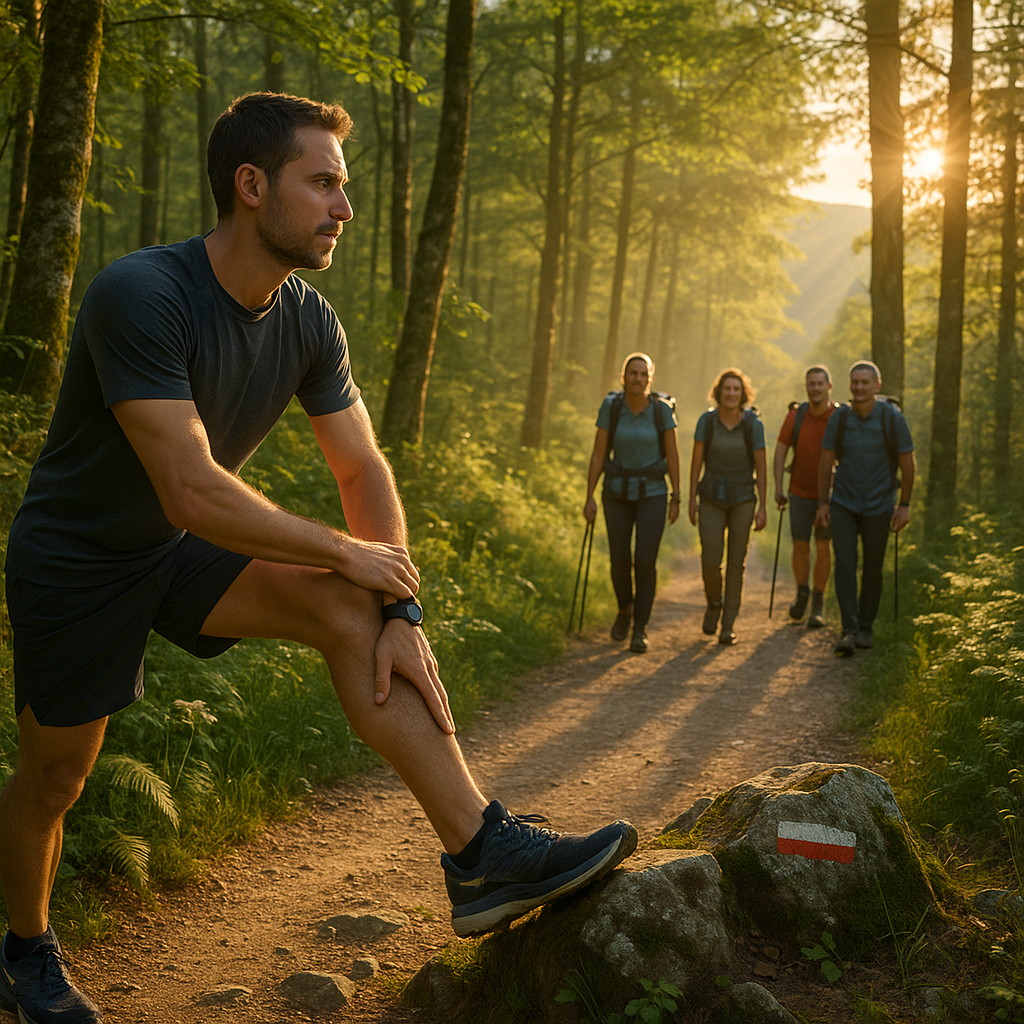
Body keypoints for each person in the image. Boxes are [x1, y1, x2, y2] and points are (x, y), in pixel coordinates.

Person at [0, 92, 638, 1024]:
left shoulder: (308, 318)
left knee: (352, 608)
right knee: (56, 776)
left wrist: (397, 609)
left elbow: (360, 464)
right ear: (252, 186)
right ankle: (25, 949)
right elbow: (190, 484)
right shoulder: (141, 293)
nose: (345, 207)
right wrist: (350, 554)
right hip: (80, 558)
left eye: (346, 186)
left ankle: (480, 853)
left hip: (183, 550)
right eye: (326, 183)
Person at [815, 360, 915, 656]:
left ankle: (865, 628)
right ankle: (848, 629)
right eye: (854, 383)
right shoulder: (840, 418)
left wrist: (904, 505)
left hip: (879, 504)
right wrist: (823, 502)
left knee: (872, 567)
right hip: (843, 503)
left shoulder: (891, 418)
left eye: (864, 383)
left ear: (877, 386)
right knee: (845, 564)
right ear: (849, 386)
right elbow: (825, 460)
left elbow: (907, 463)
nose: (859, 388)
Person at [583, 353, 680, 654]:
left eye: (643, 374)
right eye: (632, 373)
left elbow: (673, 454)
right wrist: (589, 496)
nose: (637, 378)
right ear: (623, 376)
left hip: (653, 492)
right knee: (620, 559)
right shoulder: (611, 408)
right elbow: (599, 454)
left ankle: (640, 627)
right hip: (616, 493)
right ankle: (624, 609)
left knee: (645, 560)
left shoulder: (662, 411)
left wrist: (677, 496)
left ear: (650, 378)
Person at [687, 368, 767, 645]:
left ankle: (728, 624)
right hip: (710, 497)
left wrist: (763, 506)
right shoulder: (706, 422)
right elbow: (696, 462)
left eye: (736, 389)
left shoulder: (752, 425)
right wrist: (690, 500)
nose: (731, 394)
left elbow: (762, 466)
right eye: (727, 389)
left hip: (744, 498)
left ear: (743, 394)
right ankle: (714, 603)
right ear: (718, 393)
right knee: (711, 559)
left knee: (736, 563)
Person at [772, 365, 838, 629]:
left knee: (823, 546)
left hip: (830, 495)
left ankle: (818, 604)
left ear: (829, 387)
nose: (816, 388)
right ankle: (802, 593)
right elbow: (780, 450)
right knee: (800, 546)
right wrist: (778, 486)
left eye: (820, 384)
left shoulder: (838, 416)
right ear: (806, 387)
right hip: (798, 492)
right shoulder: (796, 415)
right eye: (811, 384)